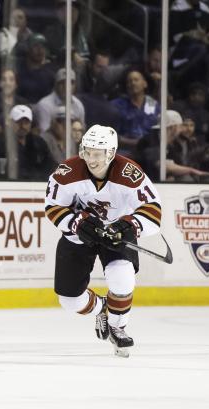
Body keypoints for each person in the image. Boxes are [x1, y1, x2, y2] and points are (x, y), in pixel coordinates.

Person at [44, 124, 162, 357]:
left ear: (111, 153)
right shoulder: (67, 172)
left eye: (97, 154)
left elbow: (152, 210)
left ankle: (118, 328)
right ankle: (101, 308)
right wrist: (77, 223)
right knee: (69, 301)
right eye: (87, 152)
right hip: (79, 237)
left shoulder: (129, 173)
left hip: (115, 236)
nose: (91, 159)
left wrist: (128, 225)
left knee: (123, 278)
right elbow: (53, 206)